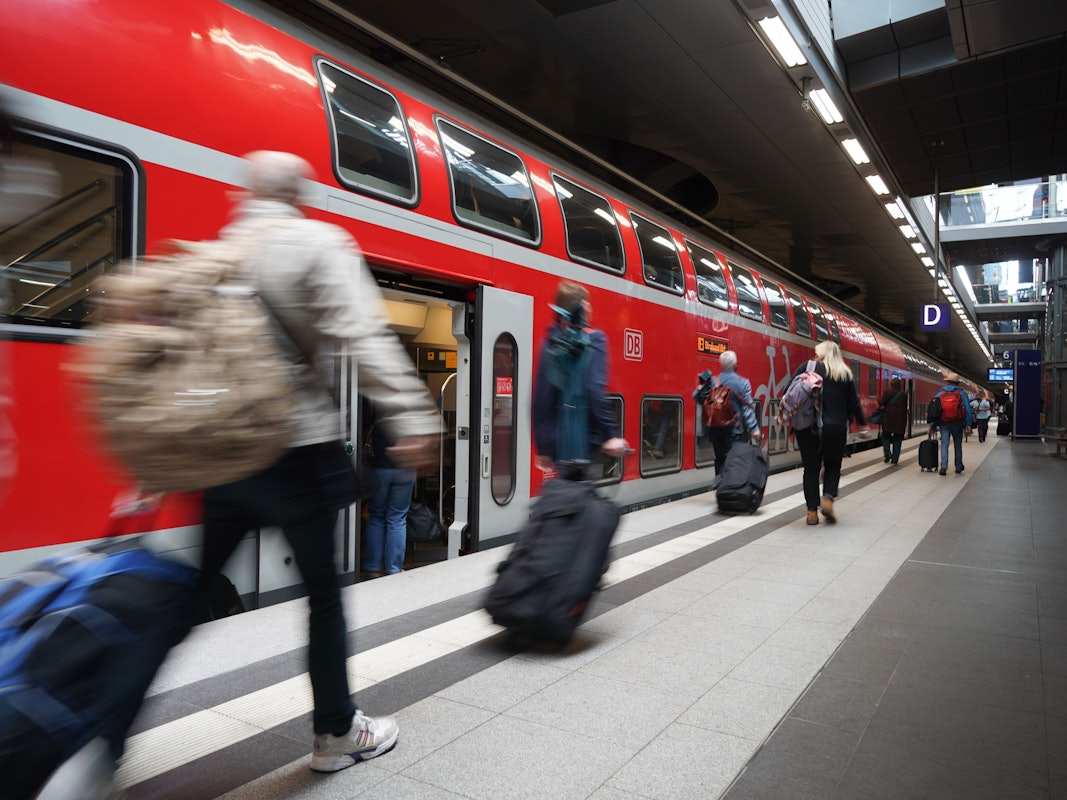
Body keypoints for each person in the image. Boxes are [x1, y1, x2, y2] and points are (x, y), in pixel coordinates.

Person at [104, 151, 442, 779]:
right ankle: (337, 732)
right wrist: (414, 416)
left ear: (246, 193)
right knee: (323, 598)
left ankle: (105, 734)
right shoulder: (318, 242)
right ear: (299, 193)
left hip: (223, 453)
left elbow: (181, 366)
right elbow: (362, 335)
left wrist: (154, 471)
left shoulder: (219, 252)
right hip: (297, 447)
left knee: (188, 599)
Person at [532, 280, 629, 479]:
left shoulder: (549, 341)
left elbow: (540, 398)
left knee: (566, 499)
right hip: (582, 443)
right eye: (587, 303)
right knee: (583, 502)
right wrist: (610, 435)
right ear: (582, 307)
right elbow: (594, 390)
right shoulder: (594, 339)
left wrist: (543, 446)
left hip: (557, 445)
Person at [790, 340, 868, 525]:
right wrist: (863, 424)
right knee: (833, 466)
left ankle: (811, 513)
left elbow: (789, 392)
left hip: (808, 428)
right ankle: (828, 499)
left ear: (820, 354)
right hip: (836, 428)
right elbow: (854, 404)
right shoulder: (844, 374)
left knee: (811, 469)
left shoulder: (807, 368)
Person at [361, 399, 417, 578]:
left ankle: (373, 567)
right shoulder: (411, 405)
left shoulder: (375, 404)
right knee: (397, 518)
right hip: (405, 468)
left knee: (376, 516)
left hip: (380, 467)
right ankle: (393, 568)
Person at [704, 350, 761, 477]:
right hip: (733, 431)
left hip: (715, 431)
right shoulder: (743, 382)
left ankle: (720, 487)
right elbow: (747, 408)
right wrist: (754, 429)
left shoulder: (713, 381)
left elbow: (699, 398)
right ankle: (730, 489)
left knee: (720, 460)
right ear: (736, 365)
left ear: (721, 365)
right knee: (733, 462)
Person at [935, 373, 972, 474]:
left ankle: (943, 467)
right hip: (958, 423)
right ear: (958, 383)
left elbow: (935, 409)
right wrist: (969, 424)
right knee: (957, 445)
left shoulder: (940, 393)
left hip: (944, 423)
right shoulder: (961, 393)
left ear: (946, 381)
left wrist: (933, 424)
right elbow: (968, 409)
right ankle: (958, 466)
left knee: (944, 444)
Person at [877, 377, 907, 465]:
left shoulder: (888, 392)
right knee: (897, 439)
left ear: (891, 384)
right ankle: (895, 459)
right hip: (900, 421)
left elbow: (881, 402)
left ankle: (887, 454)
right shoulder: (904, 395)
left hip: (888, 419)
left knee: (885, 436)